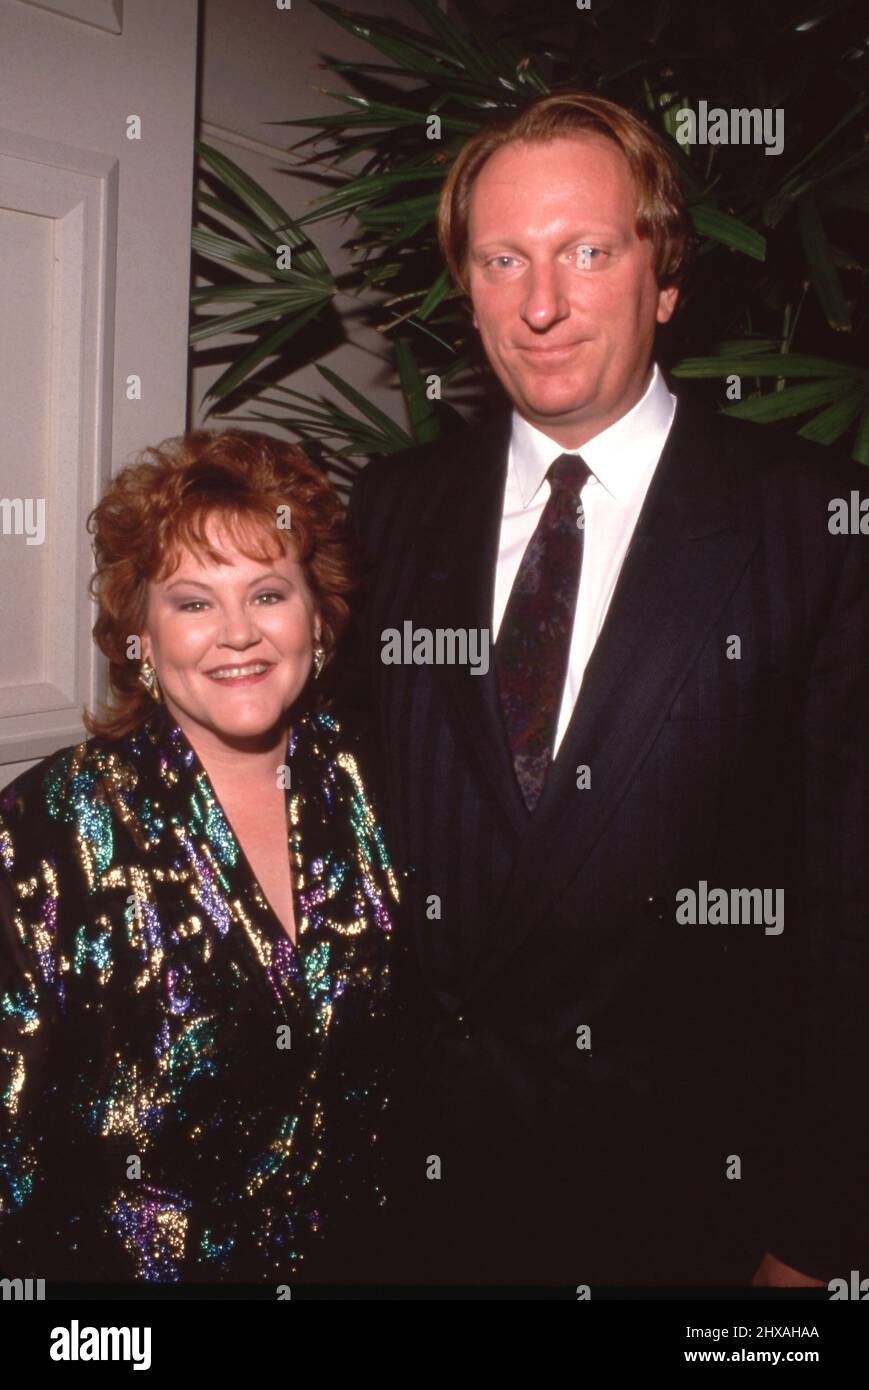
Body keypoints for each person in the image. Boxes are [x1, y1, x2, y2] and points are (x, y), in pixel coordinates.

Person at [341, 92, 869, 1287]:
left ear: (664, 276)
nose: (539, 304)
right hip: (420, 1197)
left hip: (689, 1214)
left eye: (586, 251)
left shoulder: (815, 524)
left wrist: (817, 1227)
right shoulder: (389, 511)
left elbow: (849, 907)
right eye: (502, 259)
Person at [0, 429, 400, 1285]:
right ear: (139, 634)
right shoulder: (48, 830)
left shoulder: (385, 786)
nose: (236, 635)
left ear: (318, 616)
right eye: (192, 603)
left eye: (267, 594)